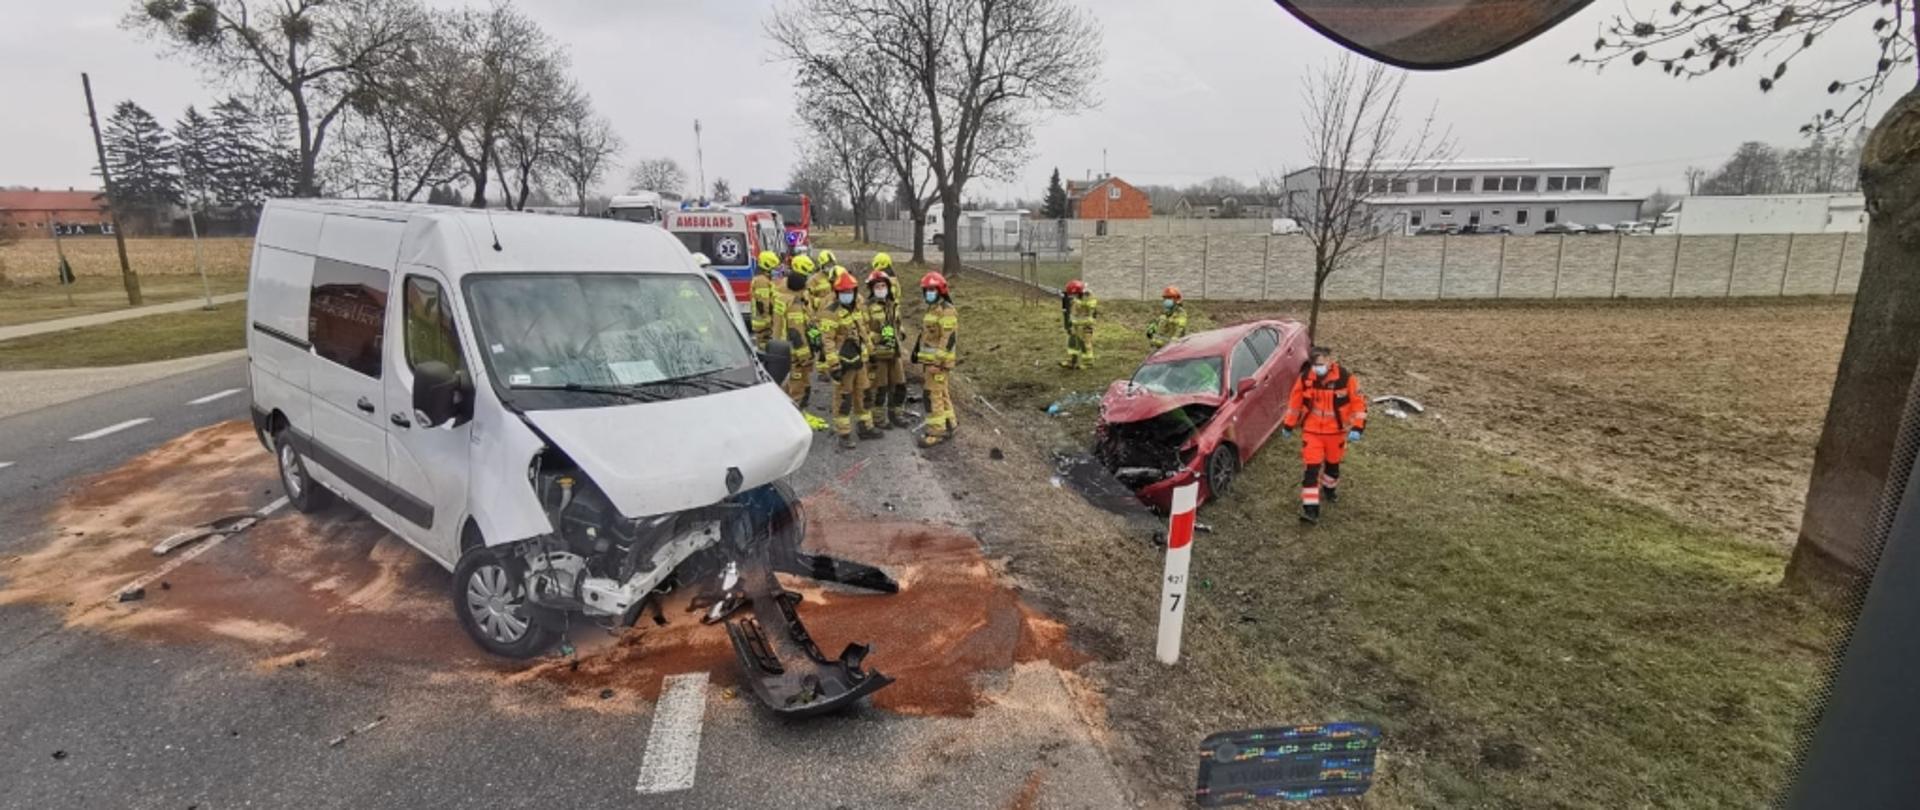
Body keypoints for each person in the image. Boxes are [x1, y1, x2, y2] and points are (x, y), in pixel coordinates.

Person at [1279, 346, 1367, 525]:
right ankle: (1311, 510)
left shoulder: (1345, 378)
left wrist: (1358, 428)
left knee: (1332, 467)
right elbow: (1295, 403)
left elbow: (1359, 404)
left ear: (1329, 360)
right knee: (1311, 472)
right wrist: (1288, 425)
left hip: (1336, 433)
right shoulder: (1305, 379)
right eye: (1314, 365)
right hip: (1312, 432)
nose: (1316, 368)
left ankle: (1329, 489)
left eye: (1319, 364)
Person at [820, 271, 881, 449]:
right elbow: (828, 341)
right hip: (843, 364)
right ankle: (844, 434)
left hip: (859, 360)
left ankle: (865, 427)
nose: (848, 295)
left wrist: (871, 351)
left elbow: (862, 332)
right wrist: (833, 365)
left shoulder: (856, 309)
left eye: (850, 292)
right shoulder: (830, 313)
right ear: (837, 293)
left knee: (863, 393)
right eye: (844, 292)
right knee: (844, 399)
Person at [781, 268, 829, 431]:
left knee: (795, 385)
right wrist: (805, 356)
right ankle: (794, 424)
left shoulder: (796, 301)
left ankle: (796, 416)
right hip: (798, 355)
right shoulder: (795, 305)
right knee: (798, 388)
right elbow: (796, 333)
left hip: (795, 353)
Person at [915, 272, 959, 447]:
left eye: (932, 290)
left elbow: (948, 339)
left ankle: (936, 432)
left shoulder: (946, 310)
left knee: (932, 396)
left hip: (938, 364)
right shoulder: (933, 308)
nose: (928, 293)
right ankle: (949, 424)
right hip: (931, 363)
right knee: (942, 393)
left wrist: (936, 362)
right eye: (926, 290)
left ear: (940, 290)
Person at [863, 269, 910, 429]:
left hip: (894, 351)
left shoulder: (893, 304)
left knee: (899, 385)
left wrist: (900, 333)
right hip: (878, 353)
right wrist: (878, 337)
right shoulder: (867, 307)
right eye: (878, 286)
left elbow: (897, 323)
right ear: (872, 288)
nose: (881, 289)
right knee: (879, 388)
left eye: (883, 286)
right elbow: (863, 330)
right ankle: (879, 419)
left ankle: (897, 414)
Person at [1060, 279, 1099, 369]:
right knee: (1072, 343)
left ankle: (1088, 363)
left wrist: (1078, 302)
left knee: (1085, 344)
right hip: (1076, 325)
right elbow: (1073, 312)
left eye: (1073, 294)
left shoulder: (1088, 297)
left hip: (1085, 326)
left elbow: (1091, 306)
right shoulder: (1076, 298)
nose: (1072, 296)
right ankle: (1071, 361)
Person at [749, 250, 781, 347]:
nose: (776, 270)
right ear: (767, 266)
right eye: (774, 268)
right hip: (763, 322)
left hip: (764, 322)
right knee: (765, 347)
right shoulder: (761, 281)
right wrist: (770, 320)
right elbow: (764, 304)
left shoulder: (763, 279)